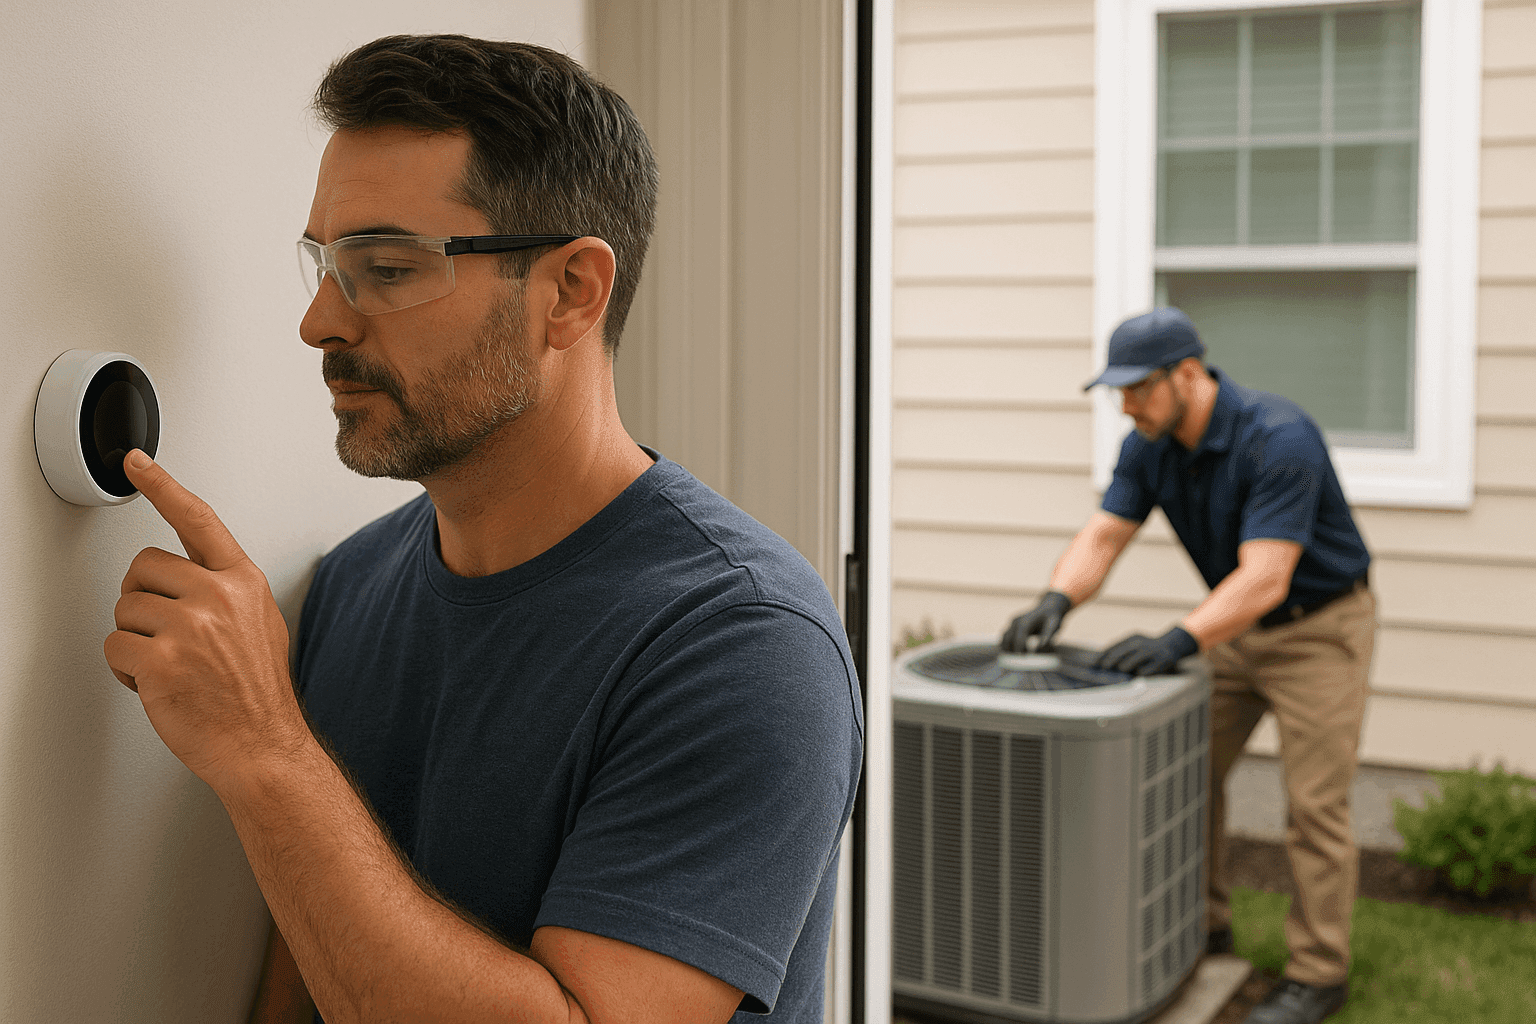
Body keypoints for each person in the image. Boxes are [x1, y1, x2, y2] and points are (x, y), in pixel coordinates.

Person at [104, 35, 862, 1024]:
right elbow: (314, 953)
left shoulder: (744, 645)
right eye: (326, 265)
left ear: (570, 291)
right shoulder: (349, 587)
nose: (322, 321)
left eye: (384, 266)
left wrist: (264, 746)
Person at [1000, 307, 1375, 1024]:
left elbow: (1268, 577)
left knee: (1314, 806)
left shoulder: (1279, 437)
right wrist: (1055, 600)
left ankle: (1319, 974)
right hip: (1233, 625)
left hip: (1318, 628)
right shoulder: (1149, 444)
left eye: (1138, 387)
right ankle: (1202, 927)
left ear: (1189, 375)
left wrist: (1178, 639)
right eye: (1118, 390)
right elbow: (1105, 536)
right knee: (1185, 776)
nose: (1126, 404)